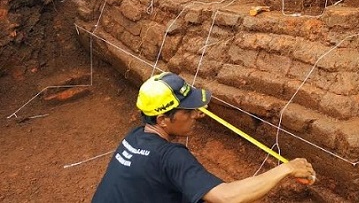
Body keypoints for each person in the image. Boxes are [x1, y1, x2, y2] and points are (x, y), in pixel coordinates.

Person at [92, 72, 316, 203]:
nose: (198, 115)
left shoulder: (134, 137)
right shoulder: (170, 156)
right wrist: (286, 168)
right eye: (188, 111)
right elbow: (228, 197)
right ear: (162, 119)